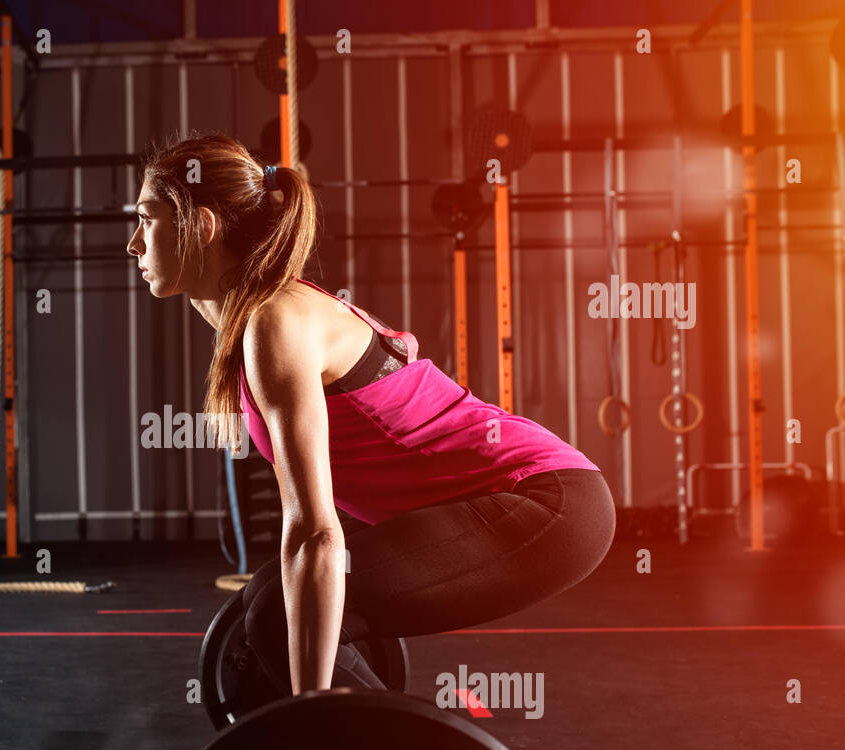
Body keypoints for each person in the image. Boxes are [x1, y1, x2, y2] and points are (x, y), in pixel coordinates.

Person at [126, 132, 615, 695]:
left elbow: (314, 533)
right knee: (266, 601)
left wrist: (308, 702)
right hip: (538, 497)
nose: (134, 244)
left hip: (546, 505)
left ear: (202, 225)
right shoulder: (267, 315)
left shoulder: (275, 322)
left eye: (147, 218)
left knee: (273, 617)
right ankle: (370, 742)